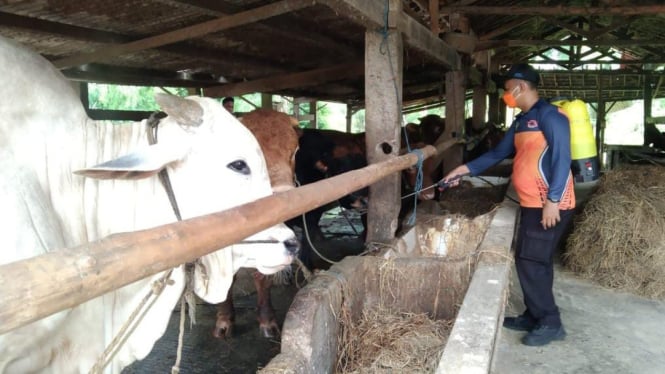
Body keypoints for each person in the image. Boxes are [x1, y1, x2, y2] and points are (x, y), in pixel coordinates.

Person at [440, 63, 576, 347]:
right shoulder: (523, 120)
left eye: (507, 88)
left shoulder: (552, 116)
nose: (506, 94)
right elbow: (497, 154)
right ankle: (534, 314)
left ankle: (550, 322)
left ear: (521, 87)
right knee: (535, 260)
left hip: (549, 204)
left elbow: (563, 159)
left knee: (530, 261)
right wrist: (462, 170)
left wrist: (552, 201)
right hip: (531, 203)